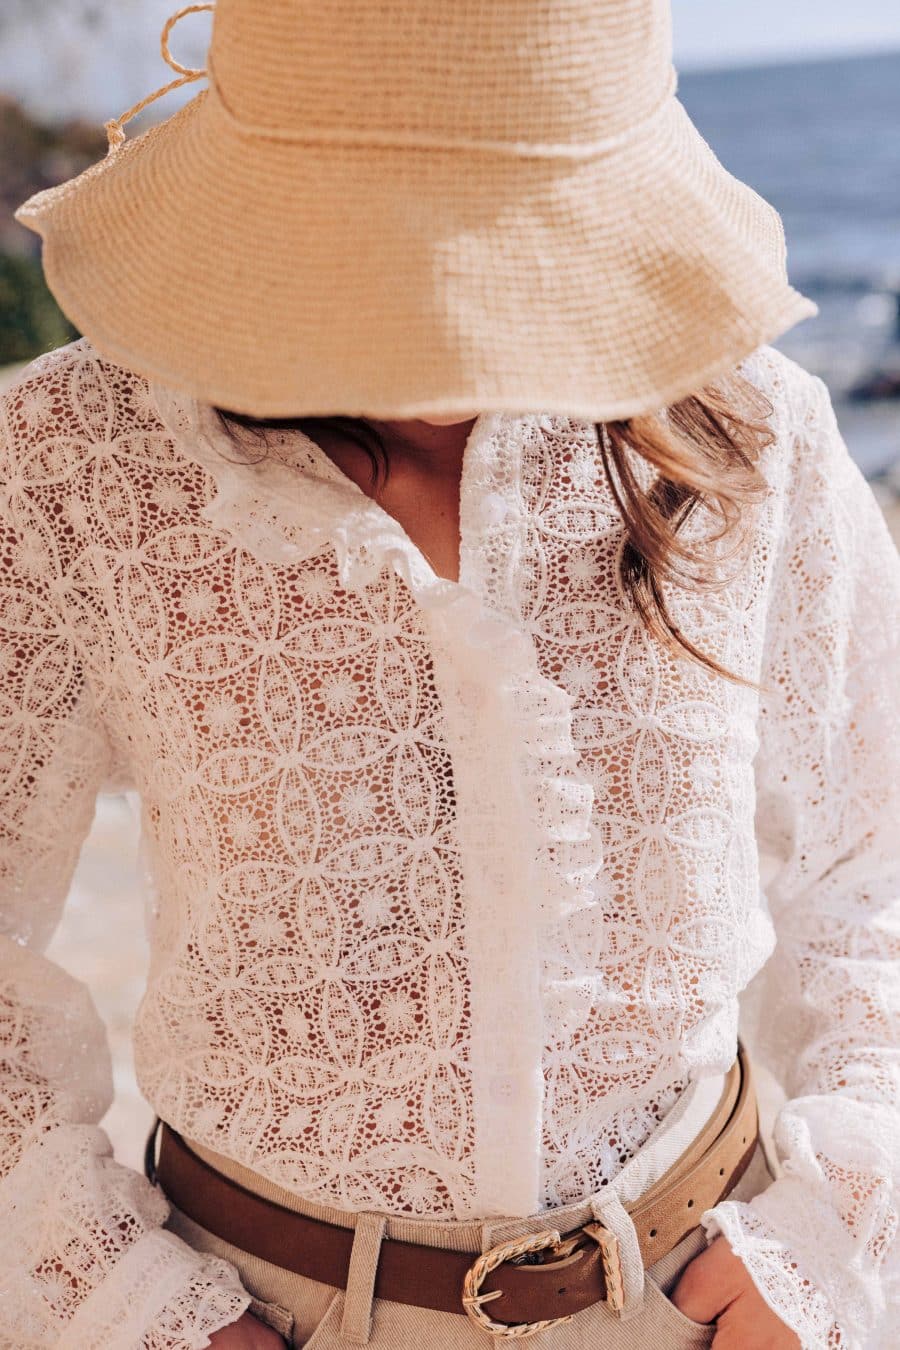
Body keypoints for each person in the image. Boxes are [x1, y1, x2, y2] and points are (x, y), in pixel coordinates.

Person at [2, 1, 898, 1346]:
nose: (445, 297)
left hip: (709, 1297)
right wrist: (130, 1302)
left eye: (504, 236)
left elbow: (868, 863)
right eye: (387, 239)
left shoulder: (754, 428)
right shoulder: (75, 455)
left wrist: (832, 1231)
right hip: (261, 1310)